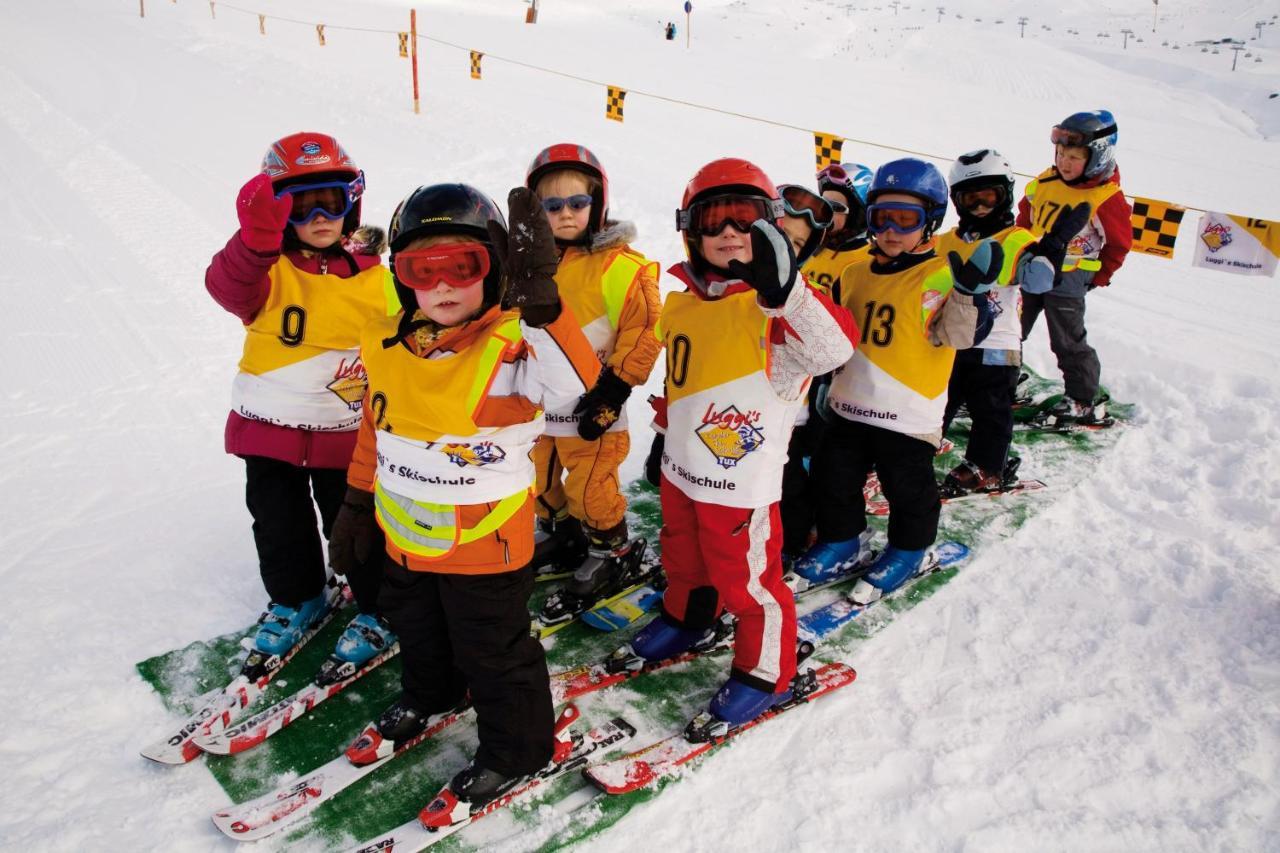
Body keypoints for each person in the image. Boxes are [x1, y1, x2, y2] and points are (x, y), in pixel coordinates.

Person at [327, 182, 602, 808]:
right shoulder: (388, 339)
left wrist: (546, 311)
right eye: (424, 269)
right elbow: (378, 425)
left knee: (493, 648)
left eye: (464, 266)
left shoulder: (515, 343)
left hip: (485, 542)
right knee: (417, 627)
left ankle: (517, 748)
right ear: (402, 278)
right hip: (406, 531)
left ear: (496, 269)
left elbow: (576, 385)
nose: (444, 285)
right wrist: (355, 502)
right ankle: (433, 693)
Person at [631, 159, 857, 727]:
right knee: (683, 556)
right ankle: (689, 618)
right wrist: (662, 438)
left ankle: (766, 669)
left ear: (771, 230)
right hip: (684, 469)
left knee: (748, 581)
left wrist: (788, 295)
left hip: (740, 482)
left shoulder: (776, 312)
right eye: (713, 220)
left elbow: (834, 351)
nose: (729, 232)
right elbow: (682, 382)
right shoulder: (682, 302)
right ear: (690, 230)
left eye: (746, 219)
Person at [204, 132, 398, 671]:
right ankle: (298, 597)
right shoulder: (265, 270)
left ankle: (380, 607)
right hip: (270, 427)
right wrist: (255, 239)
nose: (318, 215)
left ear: (352, 202)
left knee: (354, 521)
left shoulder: (377, 279)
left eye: (331, 201)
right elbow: (227, 287)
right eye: (298, 204)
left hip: (346, 433)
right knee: (277, 522)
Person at [793, 158, 1002, 603]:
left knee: (908, 488)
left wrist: (968, 296)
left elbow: (960, 337)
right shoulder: (854, 272)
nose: (890, 229)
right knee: (834, 476)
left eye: (905, 220)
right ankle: (844, 540)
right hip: (849, 405)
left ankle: (910, 549)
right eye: (880, 218)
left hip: (907, 414)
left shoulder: (941, 273)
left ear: (931, 223)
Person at [522, 144, 662, 620]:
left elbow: (643, 331)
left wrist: (614, 389)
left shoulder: (620, 268)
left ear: (597, 203)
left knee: (591, 486)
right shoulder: (525, 269)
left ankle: (609, 546)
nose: (565, 215)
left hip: (593, 406)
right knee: (535, 478)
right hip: (537, 404)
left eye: (576, 203)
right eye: (551, 205)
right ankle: (561, 532)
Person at [936, 148, 1090, 494]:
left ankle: (988, 466)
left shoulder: (1016, 238)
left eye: (988, 196)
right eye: (970, 198)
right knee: (938, 400)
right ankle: (918, 445)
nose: (980, 206)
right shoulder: (946, 241)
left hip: (996, 346)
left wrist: (1052, 246)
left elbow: (1037, 281)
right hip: (951, 341)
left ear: (1005, 195)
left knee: (990, 410)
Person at [1016, 110, 1133, 425]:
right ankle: (1005, 379)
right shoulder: (1046, 181)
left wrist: (1098, 276)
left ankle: (1083, 399)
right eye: (1061, 154)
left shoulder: (1104, 197)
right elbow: (1024, 218)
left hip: (1068, 280)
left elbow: (1119, 244)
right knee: (1010, 327)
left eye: (1074, 156)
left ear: (1097, 156)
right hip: (1029, 271)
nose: (1064, 162)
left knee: (1066, 340)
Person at [773, 184, 838, 564]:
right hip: (725, 417)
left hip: (788, 422)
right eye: (781, 236)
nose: (786, 248)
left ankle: (789, 544)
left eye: (797, 244)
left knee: (789, 487)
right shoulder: (719, 291)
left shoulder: (805, 299)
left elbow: (828, 353)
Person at [803, 162, 875, 297]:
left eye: (835, 207)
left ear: (857, 216)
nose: (826, 212)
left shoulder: (868, 261)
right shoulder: (808, 246)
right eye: (823, 204)